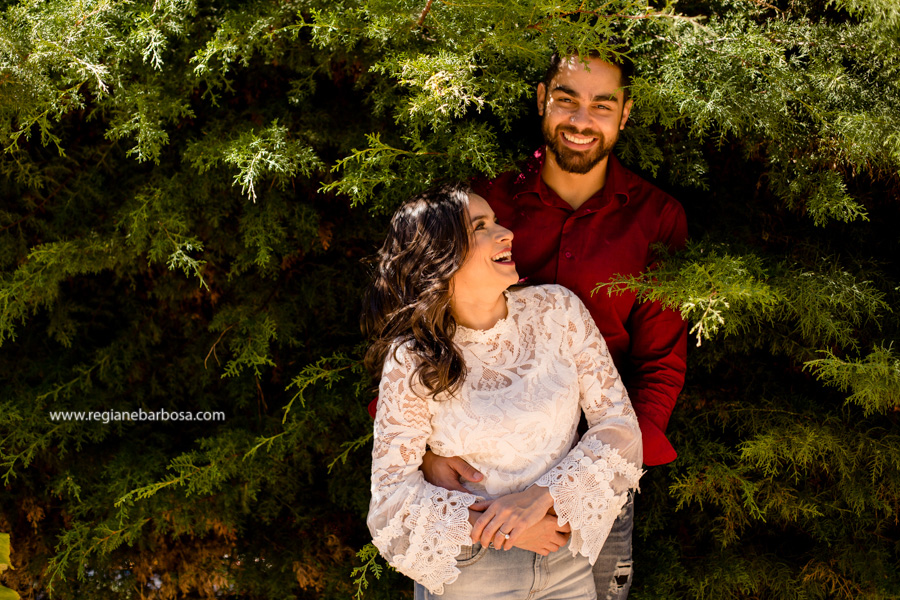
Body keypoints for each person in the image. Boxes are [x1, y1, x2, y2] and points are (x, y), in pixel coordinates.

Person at [420, 50, 688, 600]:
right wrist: (421, 450)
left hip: (593, 477)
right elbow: (415, 327)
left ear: (625, 113)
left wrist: (603, 474)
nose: (582, 121)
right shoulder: (483, 204)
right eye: (567, 100)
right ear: (542, 100)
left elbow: (661, 360)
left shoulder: (656, 217)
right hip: (480, 472)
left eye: (602, 105)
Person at [364, 183, 643, 599]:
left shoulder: (558, 311)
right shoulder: (413, 359)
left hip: (566, 558)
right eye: (481, 227)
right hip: (472, 571)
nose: (505, 232)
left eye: (496, 220)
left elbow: (620, 430)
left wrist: (537, 499)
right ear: (441, 257)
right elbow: (391, 501)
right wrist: (496, 526)